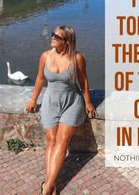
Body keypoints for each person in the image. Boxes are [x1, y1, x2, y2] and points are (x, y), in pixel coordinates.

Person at [25, 25, 97, 195]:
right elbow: (40, 78)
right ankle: (51, 184)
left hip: (72, 102)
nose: (52, 38)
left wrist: (88, 103)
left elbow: (84, 82)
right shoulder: (45, 56)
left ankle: (48, 186)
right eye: (52, 34)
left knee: (62, 141)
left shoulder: (77, 58)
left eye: (57, 37)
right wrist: (33, 99)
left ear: (67, 41)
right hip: (51, 101)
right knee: (51, 141)